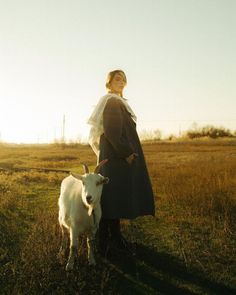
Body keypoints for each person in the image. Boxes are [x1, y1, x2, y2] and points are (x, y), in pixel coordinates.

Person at [87, 69, 155, 255]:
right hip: (116, 158)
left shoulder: (117, 102)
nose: (122, 81)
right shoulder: (111, 102)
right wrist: (127, 153)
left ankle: (114, 238)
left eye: (124, 79)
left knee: (113, 198)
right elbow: (112, 132)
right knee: (110, 199)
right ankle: (104, 243)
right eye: (117, 78)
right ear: (109, 83)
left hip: (116, 158)